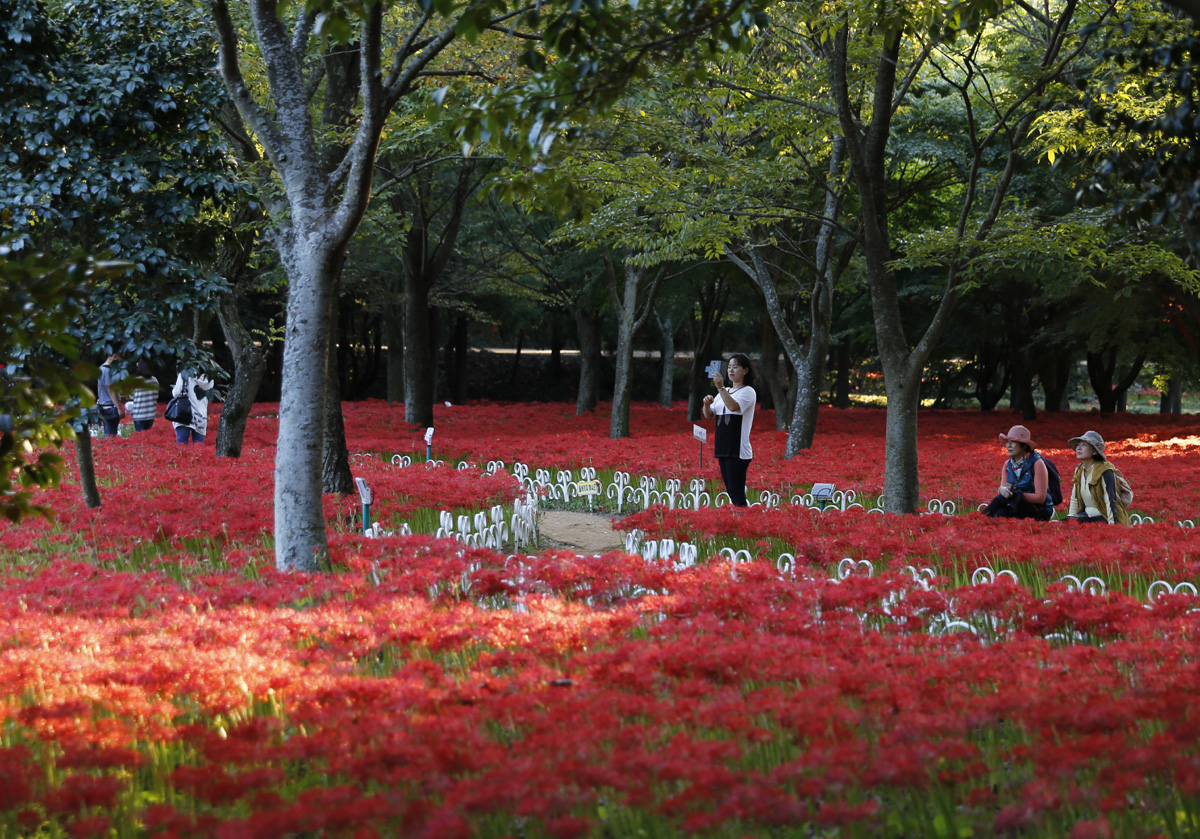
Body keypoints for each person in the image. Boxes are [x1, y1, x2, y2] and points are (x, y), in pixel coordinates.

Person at [702, 353, 756, 507]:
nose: (731, 370)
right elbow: (709, 415)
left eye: (736, 367)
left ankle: (744, 523)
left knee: (736, 492)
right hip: (723, 448)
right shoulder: (723, 392)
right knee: (731, 492)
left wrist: (719, 387)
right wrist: (706, 404)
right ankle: (740, 521)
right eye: (730, 367)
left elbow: (734, 407)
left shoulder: (748, 392)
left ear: (745, 370)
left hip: (737, 450)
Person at [982, 425, 1053, 521]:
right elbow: (1002, 491)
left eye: (1013, 442)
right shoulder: (1007, 464)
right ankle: (984, 524)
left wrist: (1018, 495)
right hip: (1014, 505)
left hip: (1039, 510)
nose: (1008, 446)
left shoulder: (1037, 463)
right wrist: (1002, 490)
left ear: (1024, 445)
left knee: (1002, 501)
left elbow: (1040, 498)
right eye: (1007, 442)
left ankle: (979, 519)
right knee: (1000, 514)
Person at [1065, 430, 1130, 524]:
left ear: (1095, 451)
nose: (1079, 448)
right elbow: (1074, 499)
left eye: (1084, 445)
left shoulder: (1105, 470)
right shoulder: (1079, 469)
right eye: (1078, 445)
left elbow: (1110, 501)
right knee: (1058, 524)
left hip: (1104, 517)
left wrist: (1113, 527)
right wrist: (1070, 521)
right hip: (1086, 516)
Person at [171, 370, 213, 444]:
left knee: (182, 444)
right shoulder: (209, 377)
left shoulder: (185, 372)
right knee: (198, 445)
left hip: (184, 412)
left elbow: (176, 393)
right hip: (201, 415)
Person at [96, 352, 123, 437]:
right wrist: (119, 408)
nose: (120, 360)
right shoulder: (108, 371)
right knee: (111, 435)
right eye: (120, 358)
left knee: (108, 433)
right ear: (115, 356)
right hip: (110, 407)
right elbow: (111, 391)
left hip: (103, 405)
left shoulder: (101, 368)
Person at [129, 361, 159, 432]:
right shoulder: (154, 380)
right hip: (150, 414)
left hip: (138, 414)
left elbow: (131, 396)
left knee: (141, 439)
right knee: (147, 437)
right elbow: (156, 396)